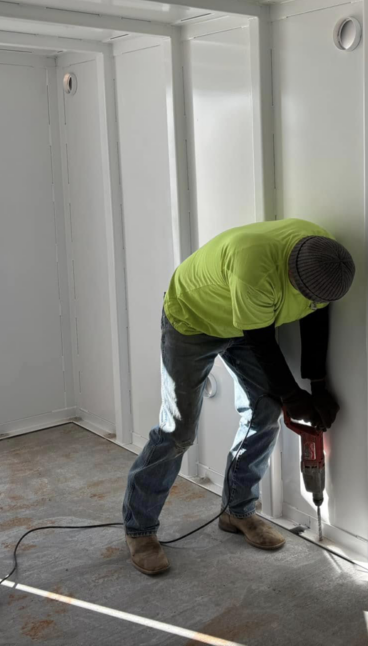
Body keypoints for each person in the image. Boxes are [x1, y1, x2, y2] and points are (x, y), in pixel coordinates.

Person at [122, 218, 354, 575]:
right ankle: (140, 529)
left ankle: (237, 510)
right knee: (179, 429)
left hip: (244, 319)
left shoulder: (323, 256)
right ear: (291, 278)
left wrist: (318, 387)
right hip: (194, 320)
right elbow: (262, 342)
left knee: (264, 410)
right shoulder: (254, 271)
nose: (312, 303)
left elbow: (315, 319)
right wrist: (294, 397)